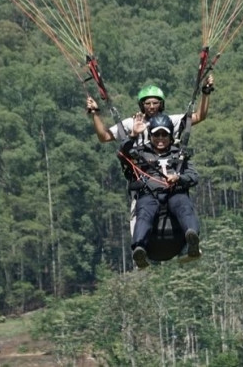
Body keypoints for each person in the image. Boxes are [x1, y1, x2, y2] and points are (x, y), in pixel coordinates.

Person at [119, 113, 201, 268]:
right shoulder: (140, 153)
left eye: (164, 134)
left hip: (174, 192)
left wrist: (179, 178)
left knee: (183, 203)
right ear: (150, 135)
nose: (160, 138)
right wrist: (133, 135)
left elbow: (193, 176)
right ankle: (139, 249)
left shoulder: (180, 154)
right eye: (156, 134)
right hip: (150, 194)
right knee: (144, 211)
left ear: (170, 136)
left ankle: (192, 237)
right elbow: (123, 155)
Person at [86, 74, 214, 145]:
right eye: (147, 103)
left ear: (161, 104)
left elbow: (199, 116)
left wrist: (206, 92)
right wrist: (95, 113)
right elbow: (104, 137)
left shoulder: (171, 121)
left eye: (155, 103)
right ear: (142, 105)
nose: (151, 107)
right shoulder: (131, 123)